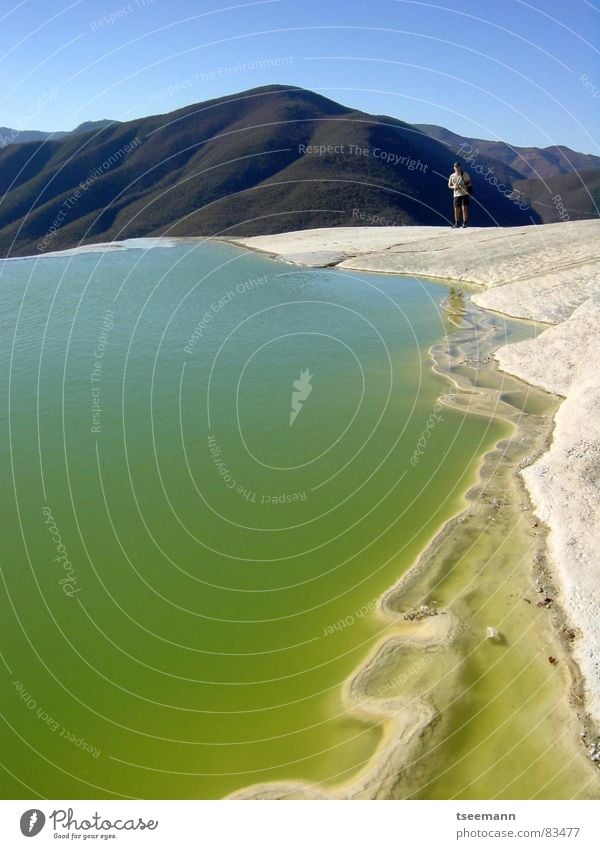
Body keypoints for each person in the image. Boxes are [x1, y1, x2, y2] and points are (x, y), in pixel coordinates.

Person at [448, 162, 472, 228]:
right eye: (456, 167)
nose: (457, 168)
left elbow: (469, 183)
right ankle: (457, 223)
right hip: (456, 194)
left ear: (460, 167)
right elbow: (449, 185)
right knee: (456, 209)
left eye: (458, 167)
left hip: (465, 193)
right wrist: (454, 187)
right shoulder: (452, 176)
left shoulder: (465, 174)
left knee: (464, 208)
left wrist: (463, 186)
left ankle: (465, 223)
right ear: (454, 168)